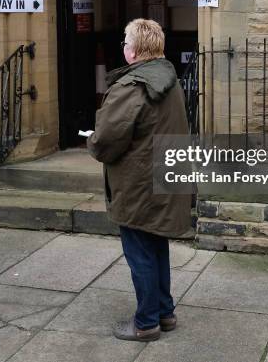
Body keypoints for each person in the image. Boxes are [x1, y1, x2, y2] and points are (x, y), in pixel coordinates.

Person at [87, 19, 192, 342]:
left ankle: (146, 322)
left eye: (124, 40)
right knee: (156, 245)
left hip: (139, 182)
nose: (122, 46)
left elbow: (107, 139)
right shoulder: (169, 78)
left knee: (141, 252)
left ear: (133, 50)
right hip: (163, 173)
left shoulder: (131, 87)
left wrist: (92, 139)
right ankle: (164, 311)